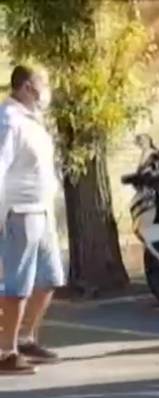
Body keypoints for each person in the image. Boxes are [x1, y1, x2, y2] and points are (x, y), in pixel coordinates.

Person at [0, 65, 65, 375]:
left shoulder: (34, 121)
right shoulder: (9, 121)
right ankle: (5, 352)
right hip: (20, 213)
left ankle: (26, 338)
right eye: (44, 82)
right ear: (27, 86)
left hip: (43, 210)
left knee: (50, 278)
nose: (48, 88)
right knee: (17, 285)